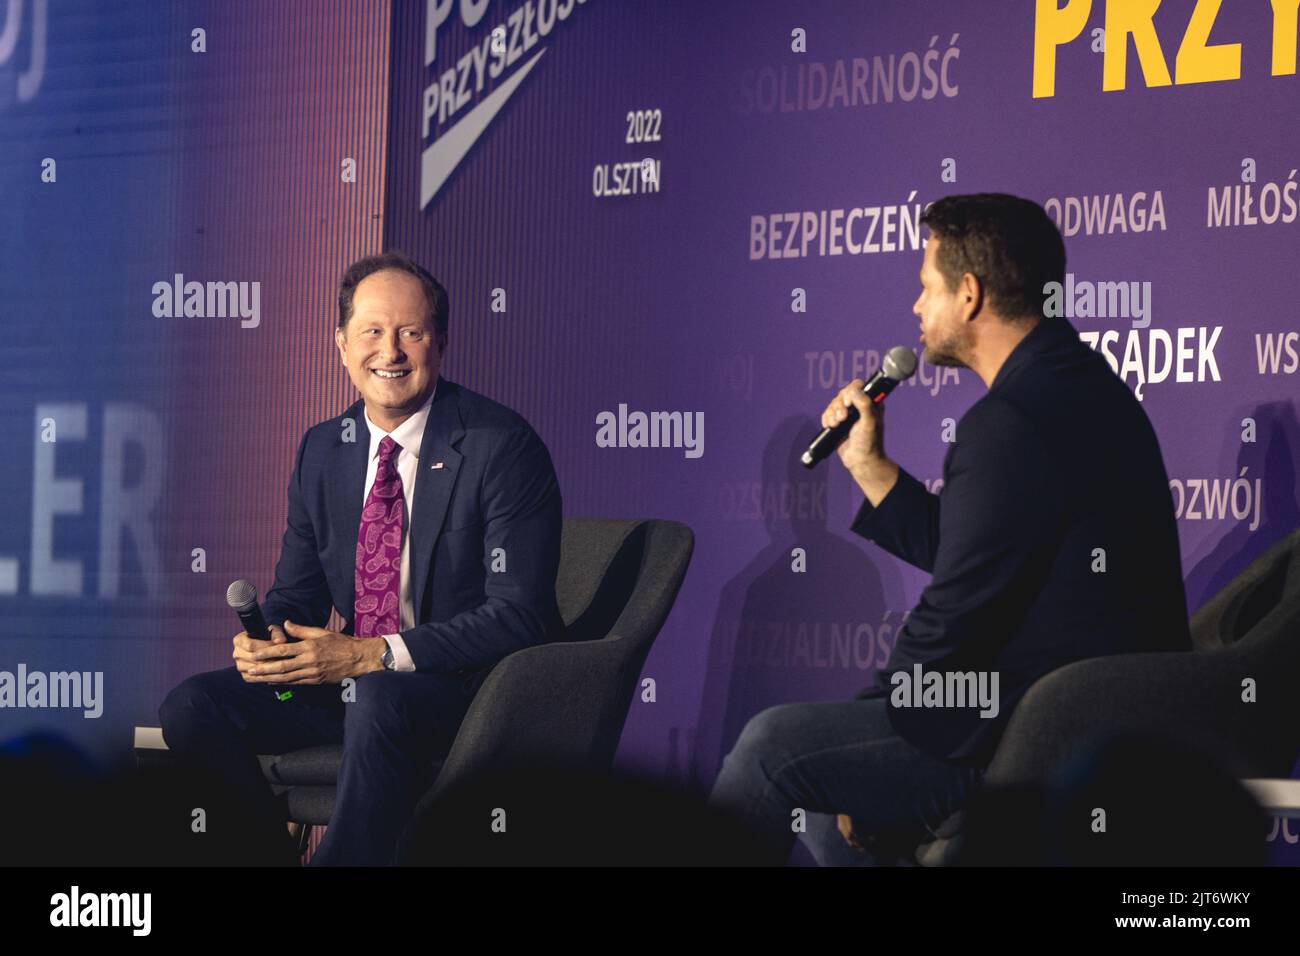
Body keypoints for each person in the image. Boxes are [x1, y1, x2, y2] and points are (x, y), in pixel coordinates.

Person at [708, 193, 1191, 865]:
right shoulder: (1081, 387)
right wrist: (869, 467)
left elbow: (953, 615)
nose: (915, 308)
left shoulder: (1009, 423)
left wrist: (875, 726)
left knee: (770, 749)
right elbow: (979, 555)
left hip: (1031, 731)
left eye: (924, 286)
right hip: (1085, 716)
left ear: (969, 294)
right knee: (822, 805)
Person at [159, 251, 564, 865]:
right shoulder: (325, 450)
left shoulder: (500, 446)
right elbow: (297, 594)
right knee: (193, 705)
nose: (390, 351)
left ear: (442, 343)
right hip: (348, 686)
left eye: (411, 331)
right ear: (342, 345)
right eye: (372, 331)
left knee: (377, 695)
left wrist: (371, 656)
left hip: (462, 693)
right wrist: (269, 640)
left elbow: (519, 615)